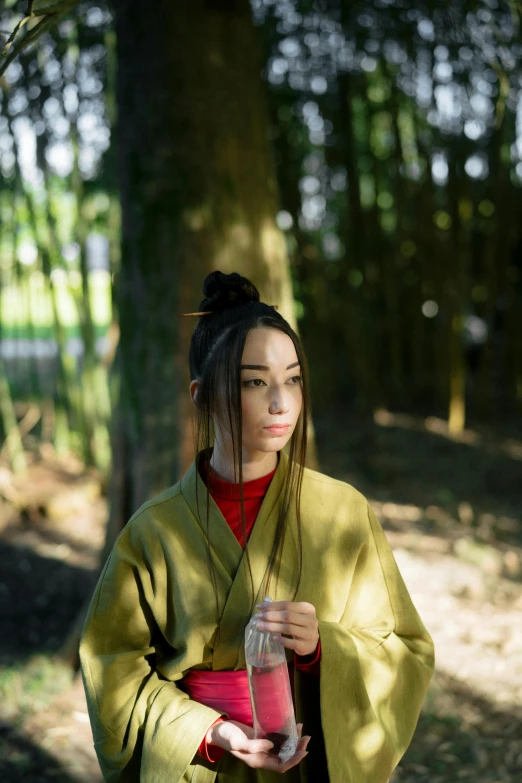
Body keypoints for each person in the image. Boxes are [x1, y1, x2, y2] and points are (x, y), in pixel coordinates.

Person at [79, 270, 435, 783]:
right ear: (201, 396)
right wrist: (211, 730)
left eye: (292, 378)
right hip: (202, 766)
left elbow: (404, 648)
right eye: (254, 381)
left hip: (311, 762)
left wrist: (321, 649)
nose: (281, 402)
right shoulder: (153, 532)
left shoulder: (343, 512)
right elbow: (111, 666)